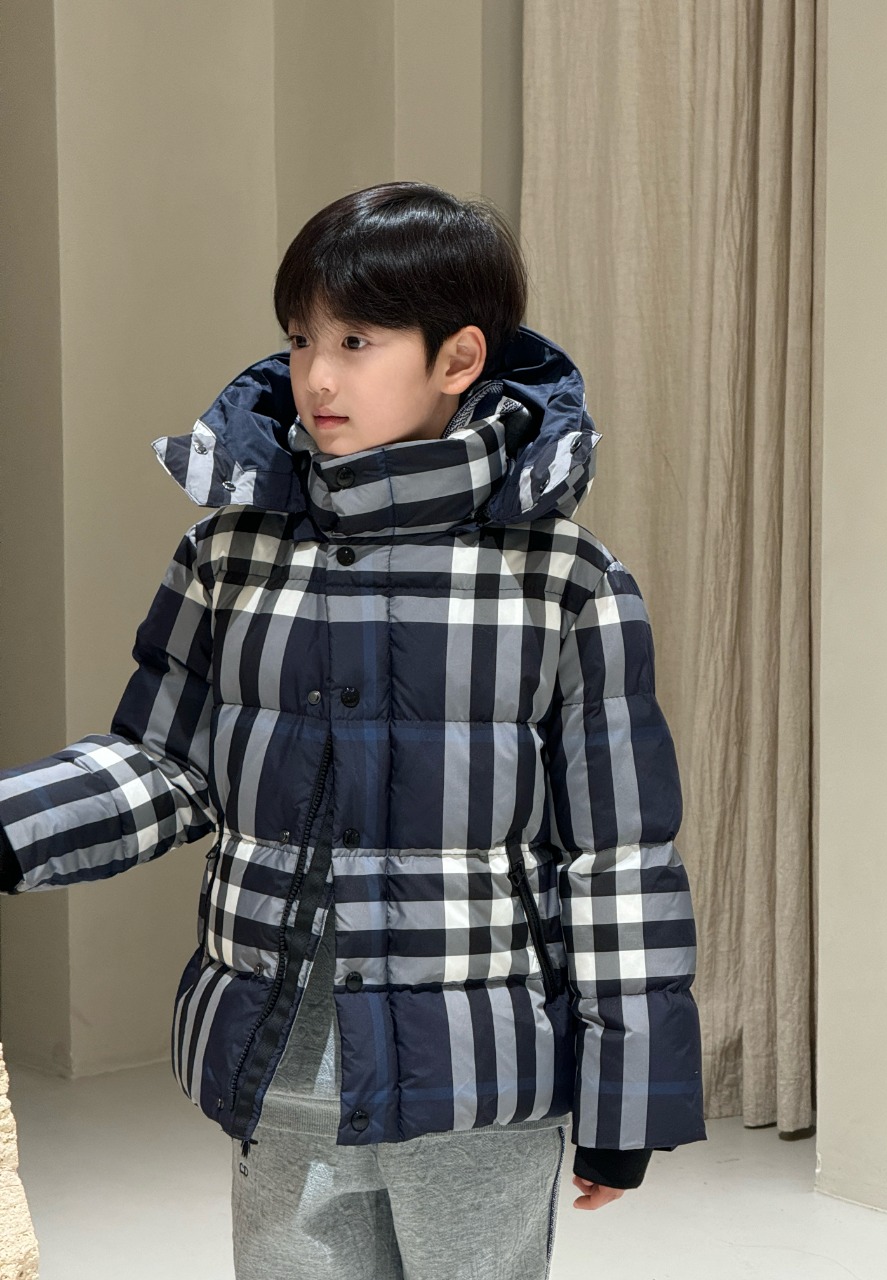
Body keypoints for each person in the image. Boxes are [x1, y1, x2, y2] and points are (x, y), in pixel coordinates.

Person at [0, 180, 706, 1278]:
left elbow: (617, 856)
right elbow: (165, 762)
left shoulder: (564, 581)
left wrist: (630, 1095)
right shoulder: (230, 555)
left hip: (478, 1076)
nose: (317, 375)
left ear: (458, 358)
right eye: (301, 338)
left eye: (357, 341)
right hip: (283, 1066)